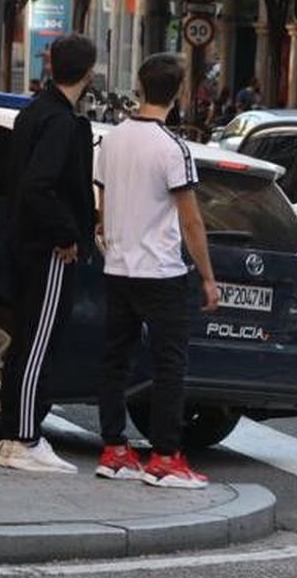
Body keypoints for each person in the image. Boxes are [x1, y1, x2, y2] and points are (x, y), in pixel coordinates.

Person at [93, 53, 220, 488]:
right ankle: (165, 456)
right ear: (179, 92)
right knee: (169, 365)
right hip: (161, 271)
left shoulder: (111, 140)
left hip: (118, 266)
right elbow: (191, 220)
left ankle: (113, 448)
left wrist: (110, 239)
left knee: (113, 361)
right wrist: (207, 276)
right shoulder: (173, 149)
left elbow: (103, 203)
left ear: (141, 87)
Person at [0, 33, 99, 474]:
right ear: (89, 72)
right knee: (39, 342)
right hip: (49, 248)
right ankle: (24, 437)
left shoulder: (34, 113)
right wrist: (68, 233)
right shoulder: (60, 122)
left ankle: (16, 434)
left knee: (26, 339)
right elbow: (40, 185)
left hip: (26, 241)